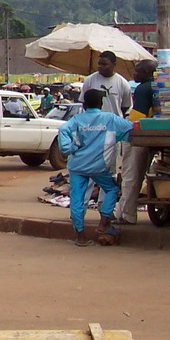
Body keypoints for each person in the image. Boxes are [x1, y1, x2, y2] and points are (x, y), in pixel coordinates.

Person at [57, 89, 133, 246]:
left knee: (77, 198)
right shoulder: (109, 118)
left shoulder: (76, 120)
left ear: (84, 104)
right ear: (101, 104)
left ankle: (80, 237)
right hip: (100, 166)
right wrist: (115, 138)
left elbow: (64, 139)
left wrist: (72, 148)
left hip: (77, 165)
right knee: (111, 189)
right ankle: (104, 222)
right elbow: (130, 128)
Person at [115, 59, 157, 225]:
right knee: (137, 174)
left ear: (147, 73)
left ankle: (127, 214)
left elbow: (137, 117)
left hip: (138, 136)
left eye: (138, 71)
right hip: (154, 134)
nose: (134, 74)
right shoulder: (157, 86)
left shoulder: (143, 88)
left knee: (130, 175)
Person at [80, 51, 132, 119]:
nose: (100, 67)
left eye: (104, 64)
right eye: (99, 64)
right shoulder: (89, 80)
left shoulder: (123, 83)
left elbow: (125, 107)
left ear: (114, 64)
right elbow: (84, 102)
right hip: (93, 124)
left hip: (113, 125)